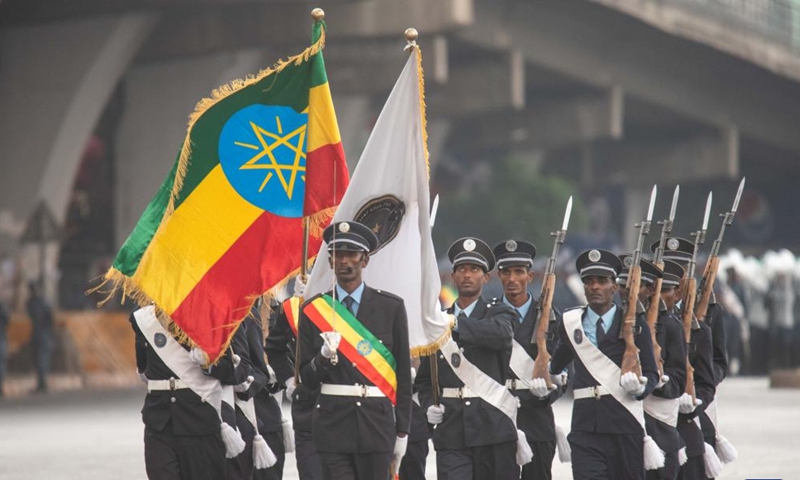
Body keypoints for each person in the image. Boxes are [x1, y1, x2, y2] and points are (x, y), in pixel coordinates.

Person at [298, 221, 412, 480]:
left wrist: (403, 429)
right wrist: (322, 358)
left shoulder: (391, 307)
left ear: (365, 260)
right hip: (332, 425)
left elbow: (403, 374)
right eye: (338, 254)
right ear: (329, 261)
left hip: (377, 424)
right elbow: (306, 378)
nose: (344, 261)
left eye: (352, 254)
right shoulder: (314, 310)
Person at [547, 249, 659, 480]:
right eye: (589, 281)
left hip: (625, 424)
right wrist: (553, 375)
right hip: (586, 428)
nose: (595, 286)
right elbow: (557, 364)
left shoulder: (635, 323)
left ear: (614, 287)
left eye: (602, 281)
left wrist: (641, 389)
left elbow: (652, 372)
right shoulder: (571, 322)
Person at [415, 237, 518, 480]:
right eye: (461, 269)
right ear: (452, 277)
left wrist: (455, 323)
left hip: (493, 426)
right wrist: (429, 404)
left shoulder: (499, 312)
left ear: (486, 278)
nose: (467, 275)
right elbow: (425, 380)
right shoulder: (436, 323)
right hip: (452, 429)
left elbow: (501, 335)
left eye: (474, 269)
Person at [130, 306, 238, 480]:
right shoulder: (143, 319)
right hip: (160, 420)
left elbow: (228, 372)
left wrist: (207, 362)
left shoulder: (210, 317)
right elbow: (143, 371)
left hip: (199, 419)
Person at [494, 239, 563, 480]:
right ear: (498, 275)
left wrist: (547, 394)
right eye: (506, 272)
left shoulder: (552, 318)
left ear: (530, 276)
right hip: (497, 419)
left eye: (519, 272)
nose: (512, 279)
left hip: (537, 419)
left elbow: (562, 371)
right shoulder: (487, 315)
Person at [618, 256, 687, 480]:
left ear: (648, 290)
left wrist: (656, 381)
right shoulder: (610, 320)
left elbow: (678, 380)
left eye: (634, 286)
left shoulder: (670, 326)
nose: (627, 291)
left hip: (658, 426)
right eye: (622, 285)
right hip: (619, 424)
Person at [655, 239, 718, 480]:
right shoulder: (640, 326)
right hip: (654, 427)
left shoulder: (700, 329)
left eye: (667, 290)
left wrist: (694, 402)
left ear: (678, 291)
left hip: (687, 427)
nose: (661, 296)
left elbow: (706, 381)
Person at [266, 289, 324, 480]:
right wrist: (290, 379)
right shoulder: (293, 306)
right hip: (309, 410)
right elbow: (275, 349)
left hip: (350, 415)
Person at [26, 281, 54, 393]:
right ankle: (41, 383)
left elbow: (49, 318)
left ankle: (42, 383)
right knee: (38, 360)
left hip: (43, 334)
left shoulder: (41, 303)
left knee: (42, 359)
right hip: (38, 334)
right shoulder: (32, 303)